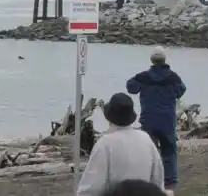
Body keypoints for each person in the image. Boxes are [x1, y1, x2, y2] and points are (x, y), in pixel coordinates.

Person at [77, 93, 165, 196]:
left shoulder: (105, 144)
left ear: (109, 117)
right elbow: (158, 179)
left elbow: (90, 189)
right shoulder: (145, 138)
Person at [126, 47, 186, 193]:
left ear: (152, 60)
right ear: (165, 60)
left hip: (149, 120)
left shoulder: (144, 77)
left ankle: (149, 178)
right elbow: (181, 90)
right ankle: (169, 182)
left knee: (148, 151)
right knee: (169, 151)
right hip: (167, 121)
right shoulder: (173, 78)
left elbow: (130, 87)